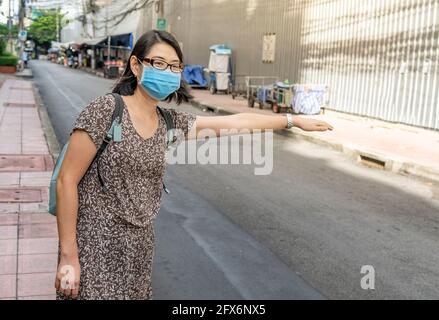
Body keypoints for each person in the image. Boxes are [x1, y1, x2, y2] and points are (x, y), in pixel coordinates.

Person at [54, 30, 333, 300]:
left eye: (175, 67)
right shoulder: (106, 110)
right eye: (159, 63)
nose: (167, 72)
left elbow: (235, 122)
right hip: (93, 245)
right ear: (136, 66)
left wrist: (291, 121)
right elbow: (67, 180)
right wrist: (69, 256)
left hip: (138, 250)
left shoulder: (169, 123)